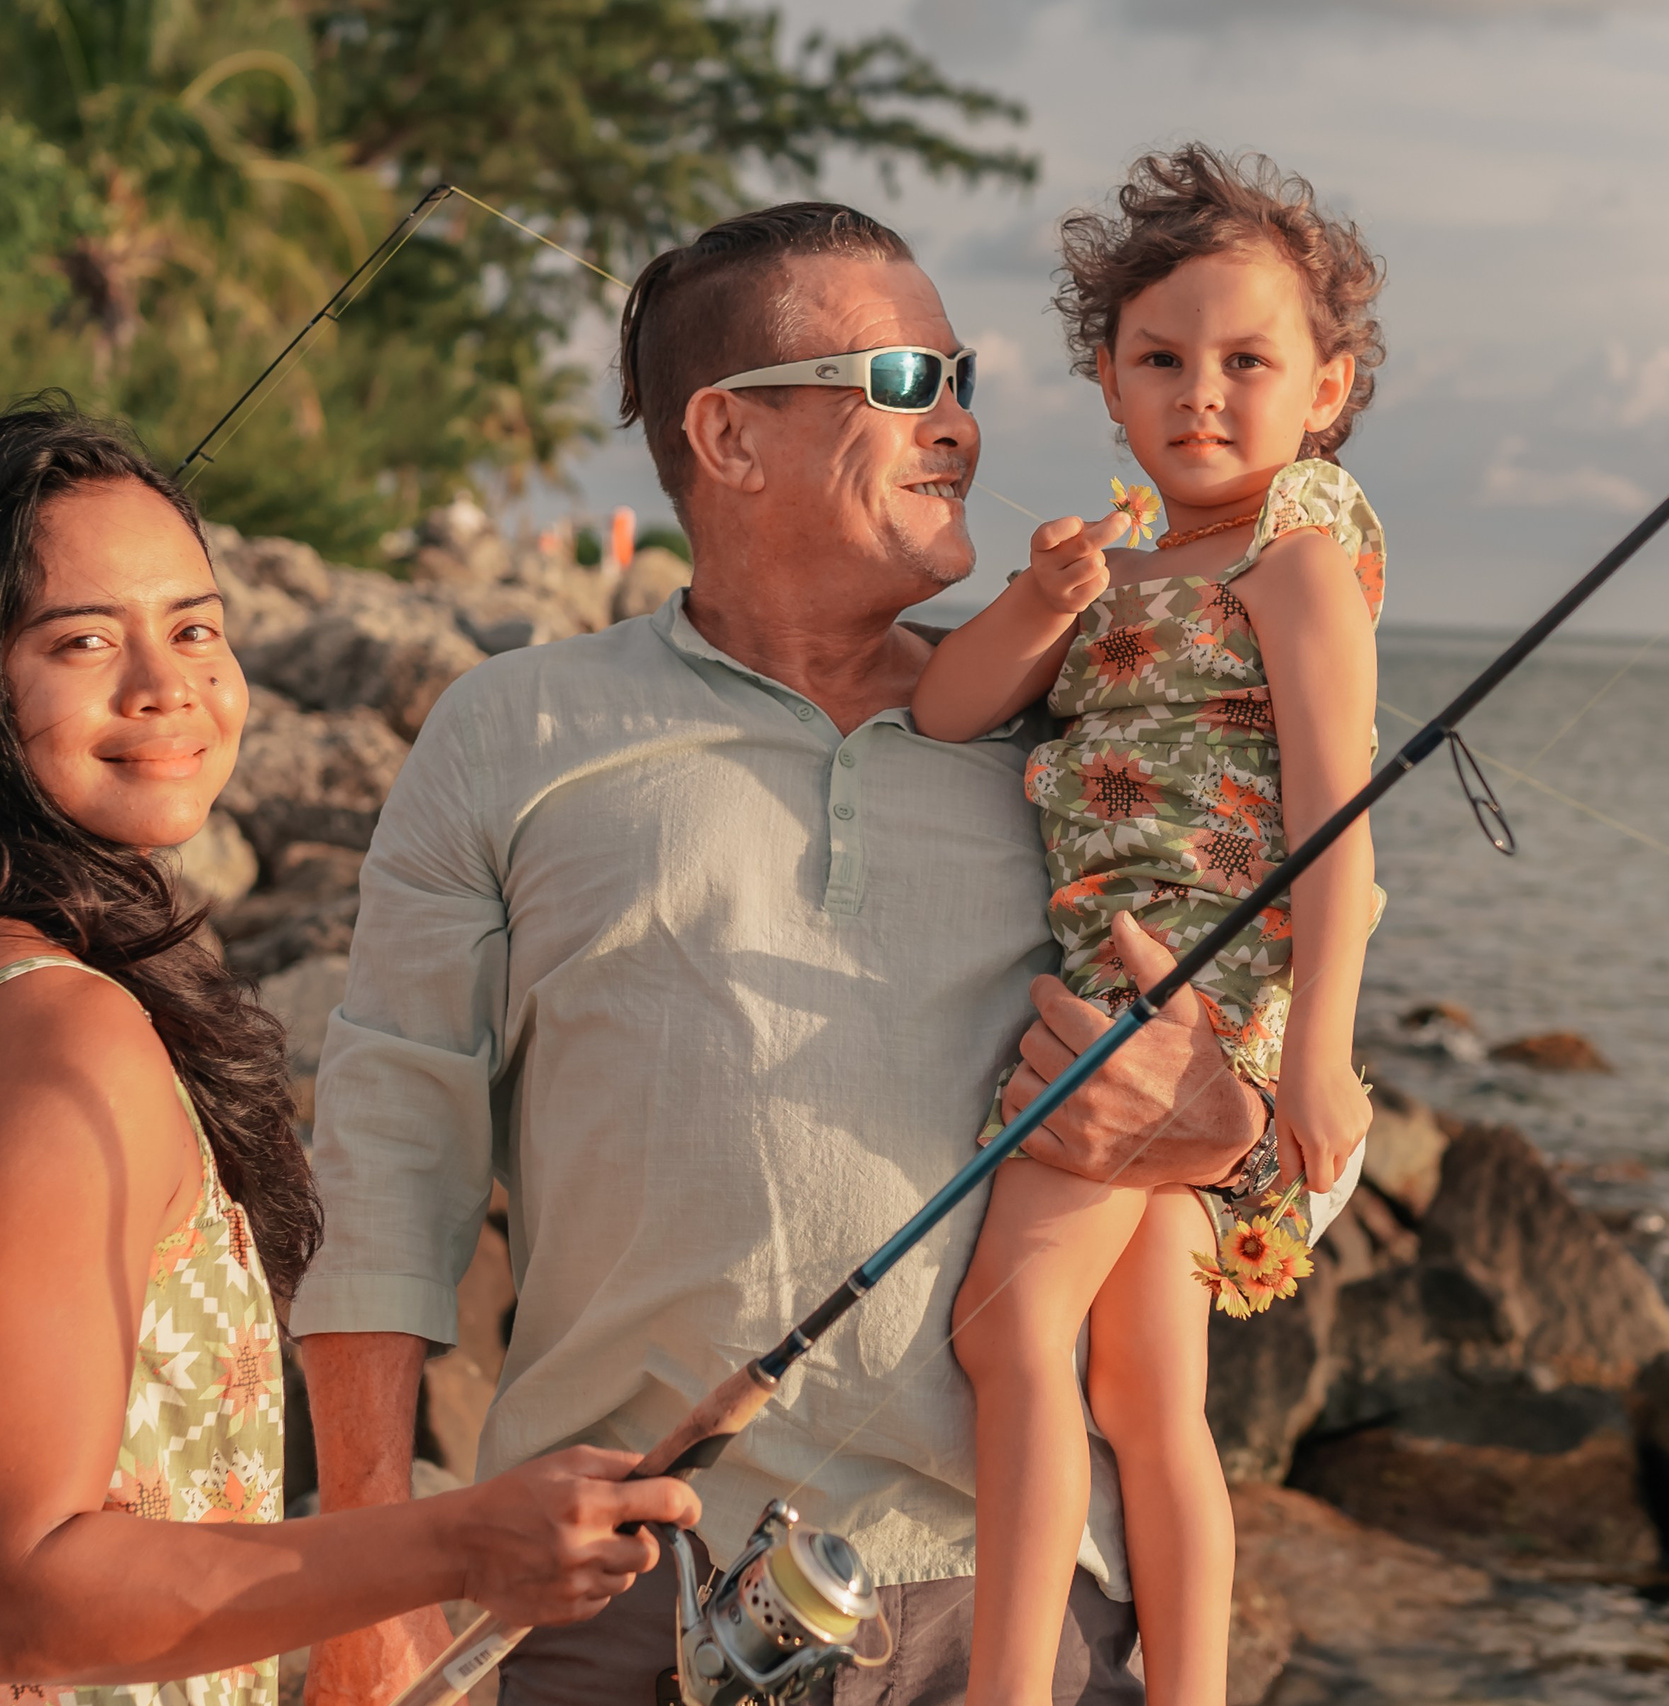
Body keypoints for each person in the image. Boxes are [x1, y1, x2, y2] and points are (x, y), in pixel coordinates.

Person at [291, 202, 1362, 1706]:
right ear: (728, 439)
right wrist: (368, 1570)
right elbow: (391, 1150)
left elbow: (1306, 1065)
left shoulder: (1078, 733)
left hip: (1028, 1628)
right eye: (911, 381)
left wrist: (1232, 1129)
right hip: (610, 1597)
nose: (966, 429)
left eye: (966, 378)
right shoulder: (511, 727)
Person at [0, 403, 696, 1706]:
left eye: (197, 625)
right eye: (84, 639)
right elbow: (10, 1593)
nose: (170, 686)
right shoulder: (52, 1038)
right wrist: (456, 1539)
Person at [911, 147, 1388, 1704]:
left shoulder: (1294, 562)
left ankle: (1003, 1687)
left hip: (1195, 1008)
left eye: (1249, 361)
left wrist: (1317, 1060)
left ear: (1327, 386)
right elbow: (945, 705)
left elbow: (1337, 827)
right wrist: (1046, 599)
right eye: (1160, 360)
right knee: (1144, 1382)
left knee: (1008, 1329)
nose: (1202, 394)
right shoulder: (1121, 572)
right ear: (1108, 385)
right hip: (1130, 995)